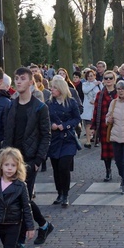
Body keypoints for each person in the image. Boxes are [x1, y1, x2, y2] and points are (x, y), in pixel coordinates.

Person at [1, 67, 54, 248]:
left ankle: (20, 241)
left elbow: (46, 135)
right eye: (16, 78)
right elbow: (8, 132)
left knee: (20, 198)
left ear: (31, 82)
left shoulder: (40, 107)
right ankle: (44, 225)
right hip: (11, 160)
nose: (18, 82)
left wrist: (38, 160)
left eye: (22, 78)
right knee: (20, 198)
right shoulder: (11, 105)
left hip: (30, 161)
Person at [46, 76, 81, 207]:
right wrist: (52, 125)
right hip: (54, 139)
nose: (52, 89)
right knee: (55, 168)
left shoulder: (71, 102)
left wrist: (65, 125)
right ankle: (59, 192)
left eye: (54, 87)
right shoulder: (49, 104)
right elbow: (44, 119)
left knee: (63, 166)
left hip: (68, 139)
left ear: (61, 88)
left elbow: (77, 118)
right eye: (51, 87)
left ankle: (66, 194)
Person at [91, 70, 118, 182]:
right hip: (104, 125)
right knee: (106, 150)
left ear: (114, 79)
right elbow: (96, 111)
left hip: (117, 125)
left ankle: (121, 170)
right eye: (106, 78)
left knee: (118, 149)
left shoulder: (119, 93)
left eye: (110, 78)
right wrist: (93, 127)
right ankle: (108, 171)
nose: (108, 80)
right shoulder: (100, 95)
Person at [81, 69, 102, 148]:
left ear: (94, 76)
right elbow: (85, 91)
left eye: (91, 76)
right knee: (88, 124)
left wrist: (96, 101)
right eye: (88, 76)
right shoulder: (85, 84)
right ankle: (88, 141)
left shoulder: (99, 84)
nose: (90, 77)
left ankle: (96, 139)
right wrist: (93, 84)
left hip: (96, 106)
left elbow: (102, 93)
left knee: (96, 124)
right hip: (87, 107)